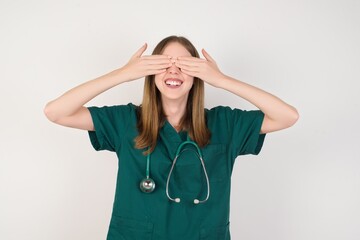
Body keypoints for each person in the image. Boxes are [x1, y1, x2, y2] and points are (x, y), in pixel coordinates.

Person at [44, 35, 298, 240]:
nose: (173, 71)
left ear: (198, 75)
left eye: (184, 65)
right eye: (164, 64)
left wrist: (222, 80)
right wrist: (123, 74)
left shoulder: (225, 124)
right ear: (151, 72)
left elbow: (287, 116)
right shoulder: (125, 121)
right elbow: (55, 112)